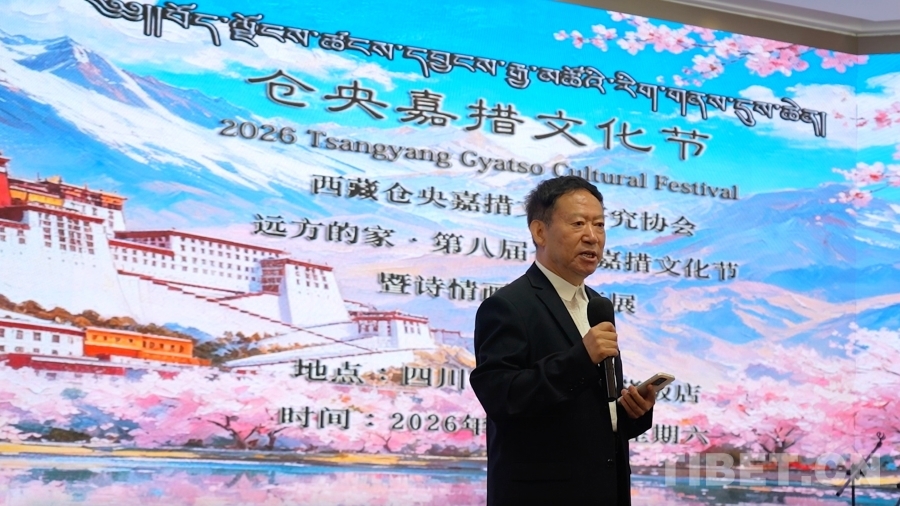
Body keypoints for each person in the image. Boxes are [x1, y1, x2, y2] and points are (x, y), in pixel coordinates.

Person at [470, 176, 656, 505]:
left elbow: (586, 414)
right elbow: (502, 399)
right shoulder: (509, 306)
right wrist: (580, 359)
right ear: (539, 232)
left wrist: (630, 413)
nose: (592, 236)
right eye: (578, 223)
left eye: (599, 225)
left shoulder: (598, 305)